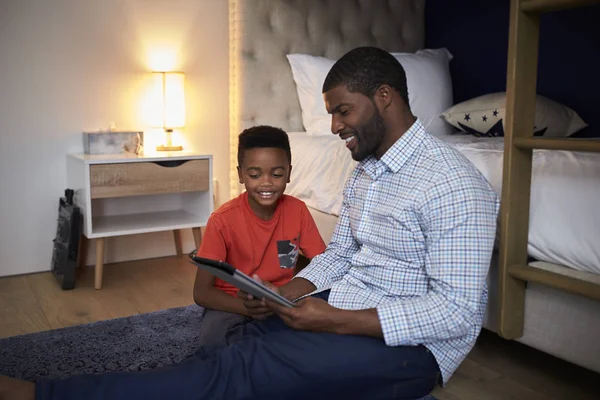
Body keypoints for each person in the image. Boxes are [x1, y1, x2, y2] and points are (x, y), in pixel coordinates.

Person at [0, 46, 499, 400]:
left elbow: (456, 313)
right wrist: (292, 292)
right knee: (250, 333)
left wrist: (331, 319)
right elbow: (341, 256)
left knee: (244, 369)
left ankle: (40, 395)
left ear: (385, 97)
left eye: (343, 111)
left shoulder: (455, 186)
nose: (333, 128)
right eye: (330, 114)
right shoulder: (367, 174)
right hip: (349, 307)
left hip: (411, 351)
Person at [193, 125, 326, 346]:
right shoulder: (222, 220)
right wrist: (247, 309)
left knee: (316, 335)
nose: (266, 182)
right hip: (232, 303)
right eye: (255, 175)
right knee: (212, 344)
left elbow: (323, 264)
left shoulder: (298, 210)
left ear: (289, 173)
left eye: (276, 174)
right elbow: (201, 293)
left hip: (280, 298)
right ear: (241, 175)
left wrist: (283, 298)